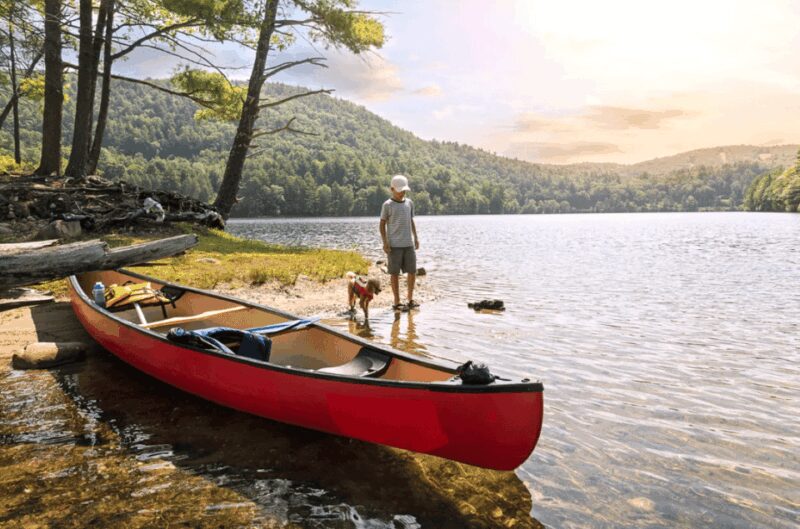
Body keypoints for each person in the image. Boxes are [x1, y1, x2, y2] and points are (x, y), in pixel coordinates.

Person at [380, 174, 420, 311]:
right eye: (399, 190)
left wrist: (416, 237)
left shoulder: (409, 203)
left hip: (408, 244)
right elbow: (382, 224)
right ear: (392, 189)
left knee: (412, 271)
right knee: (394, 273)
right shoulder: (387, 205)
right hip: (394, 246)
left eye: (404, 190)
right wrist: (385, 242)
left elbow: (411, 221)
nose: (402, 192)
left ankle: (410, 299)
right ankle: (397, 301)